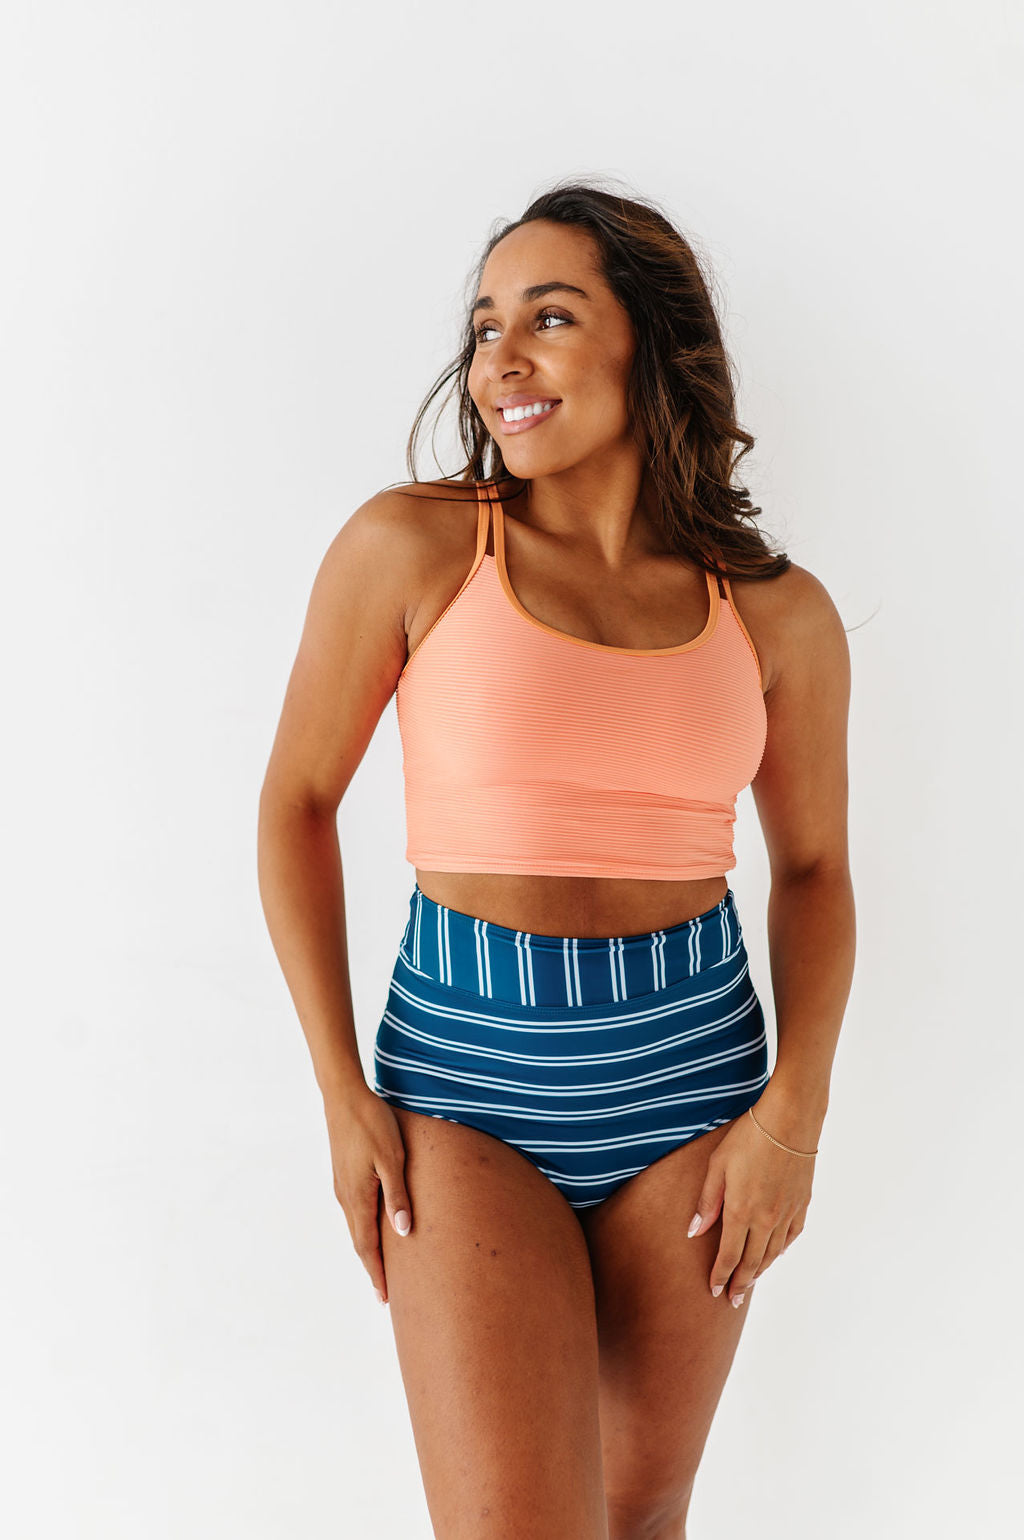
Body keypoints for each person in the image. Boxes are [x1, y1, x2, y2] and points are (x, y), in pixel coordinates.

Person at [257, 180, 855, 1540]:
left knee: (641, 1518)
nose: (502, 361)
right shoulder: (414, 547)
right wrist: (341, 1093)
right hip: (465, 1091)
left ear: (650, 341)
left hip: (694, 1091)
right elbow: (295, 802)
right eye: (486, 327)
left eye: (550, 317)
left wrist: (793, 1119)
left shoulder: (775, 614)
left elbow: (816, 870)